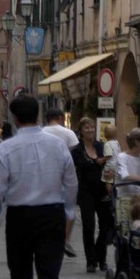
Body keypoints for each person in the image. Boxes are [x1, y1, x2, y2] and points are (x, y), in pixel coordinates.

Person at [0, 94, 78, 279]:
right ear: (37, 116)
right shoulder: (57, 145)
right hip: (52, 214)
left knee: (19, 277)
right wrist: (68, 211)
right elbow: (71, 181)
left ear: (15, 119)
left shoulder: (7, 148)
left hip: (20, 216)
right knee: (50, 277)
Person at [70, 117, 112, 273]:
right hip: (85, 191)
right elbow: (77, 168)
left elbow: (110, 164)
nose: (90, 130)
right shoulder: (77, 151)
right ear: (80, 131)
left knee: (105, 226)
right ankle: (91, 261)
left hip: (102, 190)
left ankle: (101, 257)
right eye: (87, 128)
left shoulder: (102, 147)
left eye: (92, 127)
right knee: (88, 226)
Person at [43, 108, 78, 257]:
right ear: (61, 118)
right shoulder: (68, 133)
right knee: (69, 210)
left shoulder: (41, 132)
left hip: (44, 173)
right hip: (64, 173)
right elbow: (72, 150)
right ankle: (65, 240)